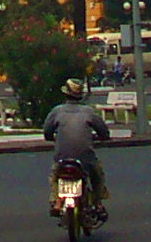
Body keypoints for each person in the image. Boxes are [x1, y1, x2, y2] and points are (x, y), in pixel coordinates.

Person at [43, 78, 111, 215]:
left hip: (62, 158)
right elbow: (103, 132)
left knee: (54, 177)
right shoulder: (88, 112)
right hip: (85, 158)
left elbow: (47, 132)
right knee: (97, 174)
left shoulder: (57, 111)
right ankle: (98, 203)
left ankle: (57, 201)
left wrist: (53, 138)